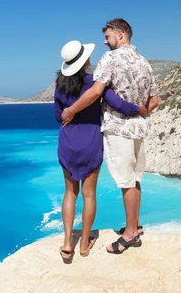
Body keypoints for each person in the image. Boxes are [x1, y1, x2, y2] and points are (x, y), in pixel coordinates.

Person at [61, 18, 160, 254]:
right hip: (138, 129)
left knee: (125, 182)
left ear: (121, 35)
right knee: (135, 179)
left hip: (119, 129)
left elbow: (97, 91)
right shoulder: (144, 62)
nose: (105, 42)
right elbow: (155, 99)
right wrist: (142, 110)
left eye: (108, 37)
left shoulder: (110, 59)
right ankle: (133, 225)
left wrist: (72, 110)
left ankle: (129, 235)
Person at [54, 40, 142, 260]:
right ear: (84, 60)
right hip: (91, 141)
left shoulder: (59, 84)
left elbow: (58, 116)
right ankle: (84, 244)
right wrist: (140, 109)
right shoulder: (95, 82)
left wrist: (71, 113)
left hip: (68, 143)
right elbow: (117, 104)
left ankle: (67, 243)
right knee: (89, 194)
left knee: (69, 193)